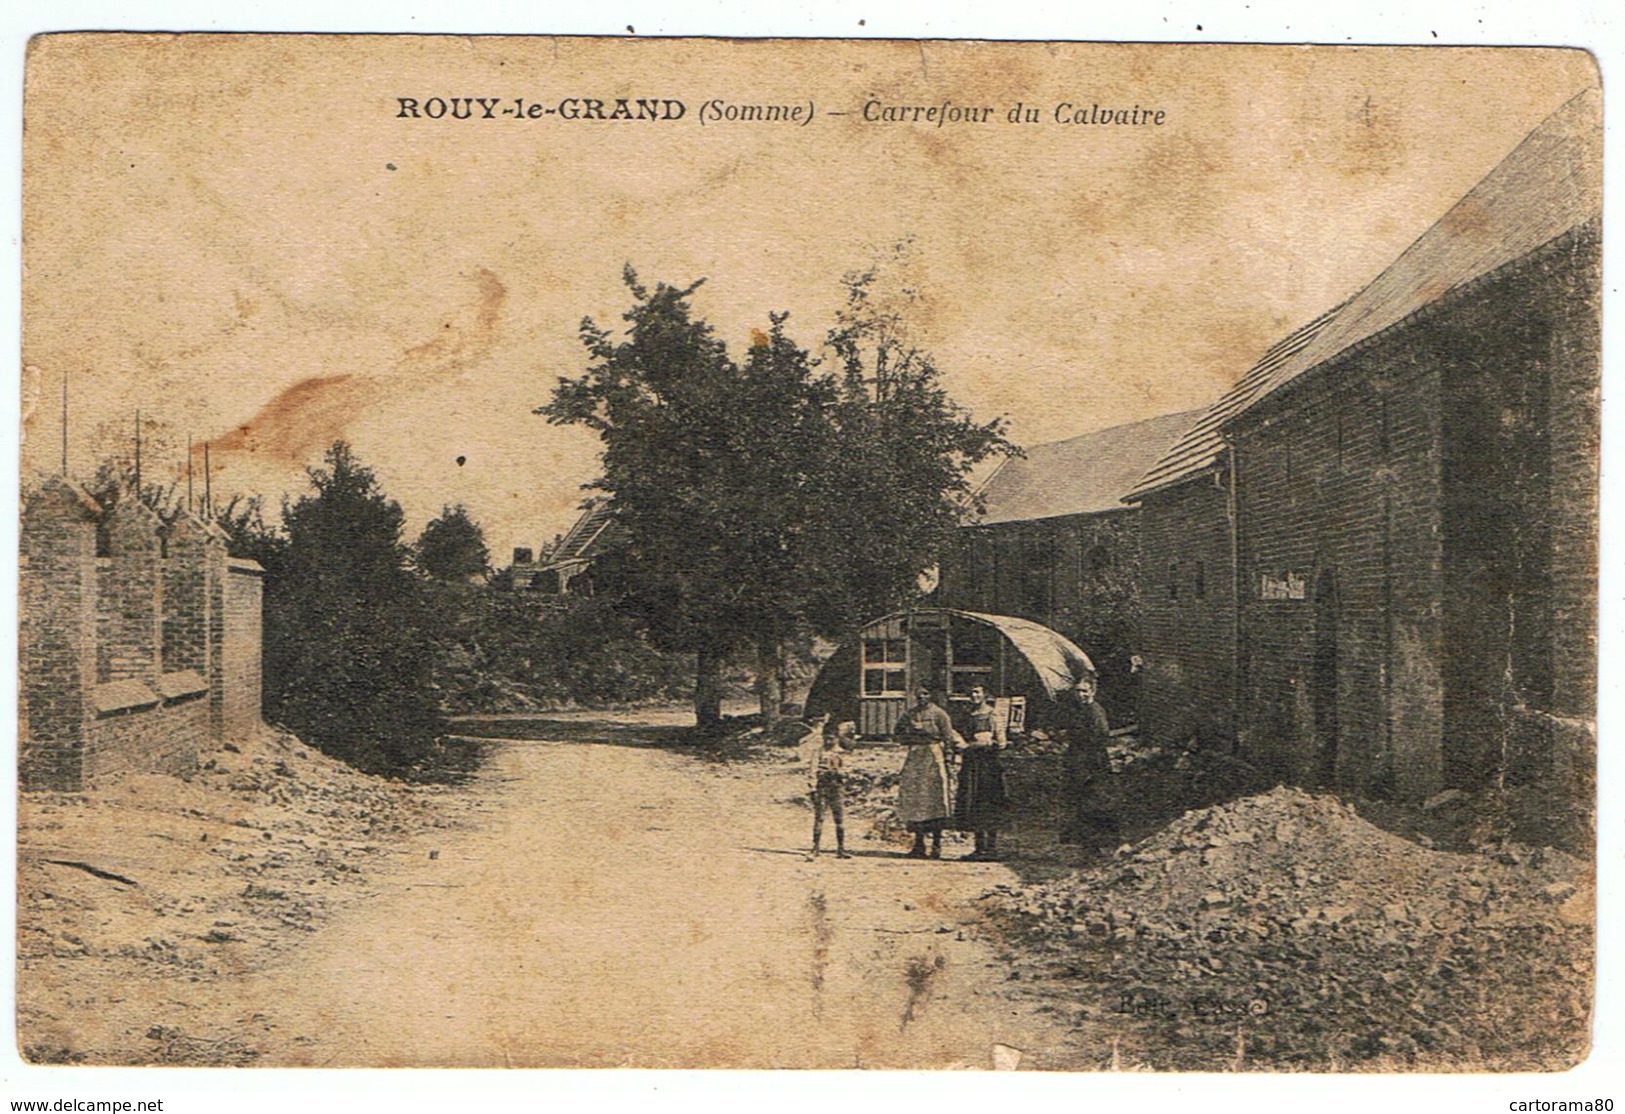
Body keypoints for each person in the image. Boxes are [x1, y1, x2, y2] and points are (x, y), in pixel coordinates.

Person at [893, 686, 956, 859]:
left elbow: (948, 738)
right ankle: (919, 844)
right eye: (919, 694)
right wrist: (911, 736)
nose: (922, 697)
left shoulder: (939, 714)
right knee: (916, 799)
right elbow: (897, 733)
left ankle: (936, 844)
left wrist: (949, 759)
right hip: (915, 756)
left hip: (934, 755)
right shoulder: (910, 714)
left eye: (926, 693)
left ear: (931, 695)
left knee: (934, 799)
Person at [1058, 673, 1117, 849]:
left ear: (1092, 691)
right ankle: (1085, 843)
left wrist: (1087, 760)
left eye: (1084, 691)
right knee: (1079, 801)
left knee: (1092, 802)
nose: (1080, 695)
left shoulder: (1095, 711)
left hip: (1092, 761)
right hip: (1078, 760)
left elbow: (1101, 736)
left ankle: (1095, 845)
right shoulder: (1079, 710)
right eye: (1078, 691)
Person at [953, 685, 1008, 861]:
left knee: (989, 804)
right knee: (973, 803)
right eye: (971, 693)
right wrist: (960, 742)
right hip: (971, 766)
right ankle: (979, 848)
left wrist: (977, 744)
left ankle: (991, 848)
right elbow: (957, 735)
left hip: (988, 766)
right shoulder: (967, 716)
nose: (974, 696)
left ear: (985, 694)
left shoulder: (992, 715)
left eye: (977, 692)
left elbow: (1001, 742)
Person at [806, 720, 853, 859]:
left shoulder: (842, 753)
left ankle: (841, 849)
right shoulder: (818, 752)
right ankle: (815, 848)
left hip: (837, 786)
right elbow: (812, 770)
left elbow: (848, 770)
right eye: (825, 738)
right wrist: (812, 787)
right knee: (819, 818)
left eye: (831, 738)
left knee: (839, 819)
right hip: (822, 786)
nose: (828, 741)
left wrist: (842, 773)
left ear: (837, 738)